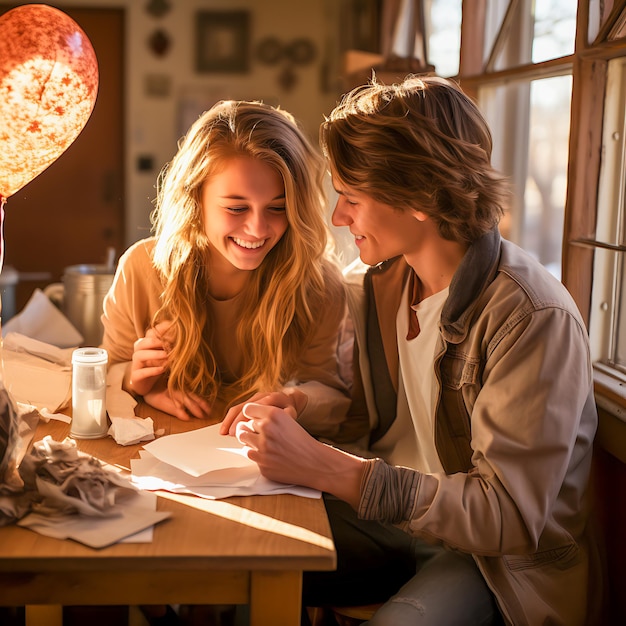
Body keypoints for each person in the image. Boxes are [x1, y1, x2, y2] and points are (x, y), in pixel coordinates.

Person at [222, 76, 601, 625]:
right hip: (396, 526)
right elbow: (374, 411)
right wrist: (296, 403)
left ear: (419, 198)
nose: (337, 218)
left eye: (351, 198)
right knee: (240, 555)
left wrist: (330, 469)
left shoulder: (532, 318)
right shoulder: (382, 284)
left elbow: (508, 518)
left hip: (494, 565)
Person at [101, 99, 354, 440]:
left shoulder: (317, 285)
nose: (258, 229)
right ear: (195, 198)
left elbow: (332, 397)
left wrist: (295, 400)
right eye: (237, 207)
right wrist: (135, 380)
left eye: (278, 208)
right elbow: (104, 371)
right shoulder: (141, 269)